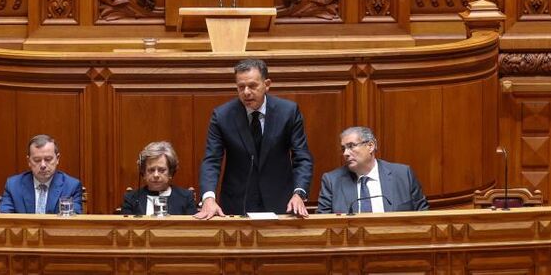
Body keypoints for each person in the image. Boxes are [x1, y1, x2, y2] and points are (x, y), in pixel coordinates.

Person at [195, 58, 312, 218]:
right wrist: (208, 197)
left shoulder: (288, 112)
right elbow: (212, 160)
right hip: (237, 203)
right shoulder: (222, 116)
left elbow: (302, 158)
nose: (246, 92)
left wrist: (299, 193)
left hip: (281, 202)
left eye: (252, 86)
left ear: (267, 84)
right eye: (241, 87)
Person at [317, 126, 429, 214]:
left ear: (370, 146)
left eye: (351, 146)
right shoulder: (332, 181)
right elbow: (324, 223)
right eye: (343, 149)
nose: (346, 153)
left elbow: (423, 216)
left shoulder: (403, 175)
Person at [0, 134, 83, 214]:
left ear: (57, 159)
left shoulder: (71, 186)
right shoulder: (13, 185)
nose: (43, 165)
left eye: (48, 159)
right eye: (37, 160)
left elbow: (73, 223)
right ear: (29, 161)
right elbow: (5, 220)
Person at [120, 141, 197, 216]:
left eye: (161, 170)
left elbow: (192, 228)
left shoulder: (186, 198)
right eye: (151, 170)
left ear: (171, 172)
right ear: (143, 173)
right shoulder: (131, 198)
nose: (156, 175)